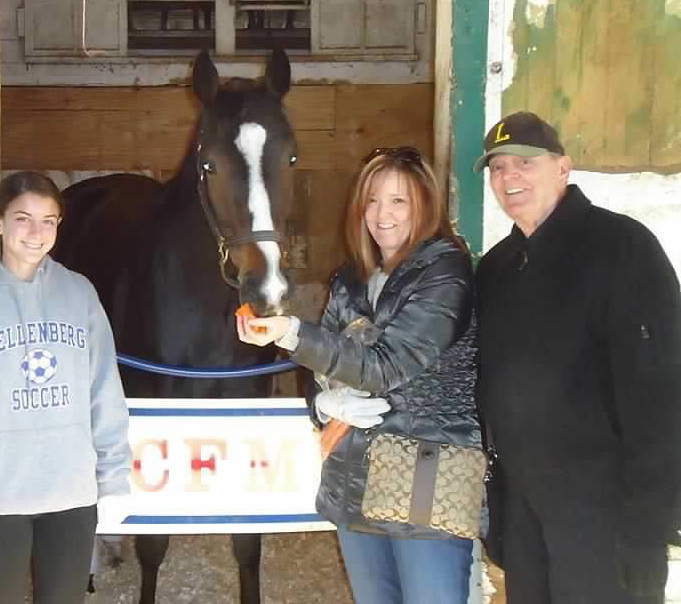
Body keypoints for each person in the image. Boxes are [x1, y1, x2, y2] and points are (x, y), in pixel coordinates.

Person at [237, 147, 480, 604]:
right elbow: (324, 367)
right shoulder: (350, 277)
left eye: (398, 201)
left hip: (426, 476)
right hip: (355, 474)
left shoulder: (445, 273)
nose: (381, 214)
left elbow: (387, 365)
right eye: (372, 200)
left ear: (425, 204)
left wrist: (292, 332)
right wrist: (322, 402)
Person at [473, 111, 681, 603]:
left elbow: (662, 390)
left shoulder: (622, 248)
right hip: (524, 504)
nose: (509, 177)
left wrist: (650, 521)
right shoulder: (499, 268)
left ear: (563, 169)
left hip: (603, 507)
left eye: (525, 162)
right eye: (498, 167)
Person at [0, 171, 132, 604]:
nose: (36, 233)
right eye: (23, 218)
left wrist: (114, 478)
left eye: (49, 221)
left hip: (71, 494)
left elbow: (105, 392)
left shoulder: (79, 293)